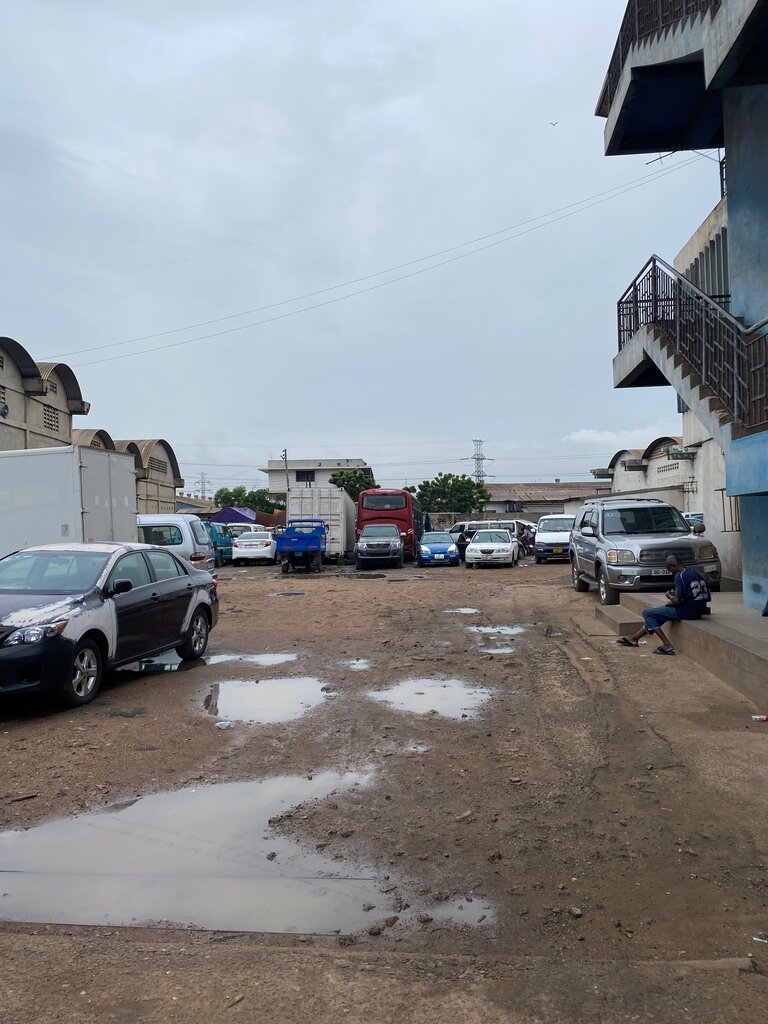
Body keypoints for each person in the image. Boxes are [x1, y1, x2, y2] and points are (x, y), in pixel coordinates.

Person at [616, 555, 711, 655]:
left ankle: (667, 645)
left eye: (670, 570)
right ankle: (634, 639)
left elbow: (676, 601)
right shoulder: (695, 573)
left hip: (688, 612)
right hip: (699, 610)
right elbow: (707, 597)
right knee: (660, 613)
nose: (671, 572)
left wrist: (669, 595)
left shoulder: (680, 575)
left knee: (647, 613)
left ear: (673, 566)